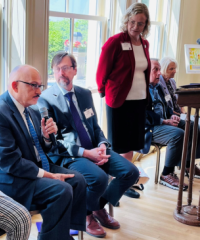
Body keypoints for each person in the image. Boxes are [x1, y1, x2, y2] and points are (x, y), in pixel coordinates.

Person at [37, 52, 140, 238]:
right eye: (57, 69)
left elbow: (94, 125)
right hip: (70, 155)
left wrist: (102, 144)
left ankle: (98, 206)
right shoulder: (46, 99)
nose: (61, 73)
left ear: (75, 70)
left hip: (95, 147)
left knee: (131, 172)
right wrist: (86, 153)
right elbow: (55, 142)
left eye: (66, 68)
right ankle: (86, 215)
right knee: (98, 178)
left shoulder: (84, 93)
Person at [0, 65, 87, 240]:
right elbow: (10, 162)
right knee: (61, 190)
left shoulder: (31, 109)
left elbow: (42, 148)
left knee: (78, 181)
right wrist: (47, 175)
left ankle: (62, 234)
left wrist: (47, 137)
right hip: (15, 179)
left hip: (36, 167)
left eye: (40, 85)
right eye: (33, 85)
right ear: (15, 86)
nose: (39, 91)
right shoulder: (2, 112)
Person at [96, 3, 151, 198]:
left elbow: (143, 71)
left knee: (131, 145)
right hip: (119, 102)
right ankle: (111, 188)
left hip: (138, 102)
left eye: (141, 23)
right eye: (133, 22)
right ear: (127, 21)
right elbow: (102, 71)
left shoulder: (144, 44)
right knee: (118, 146)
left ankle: (124, 184)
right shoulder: (115, 42)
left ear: (146, 25)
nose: (136, 27)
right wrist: (104, 91)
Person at [139, 59, 200, 190]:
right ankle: (166, 174)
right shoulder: (139, 90)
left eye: (160, 69)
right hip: (148, 128)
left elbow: (165, 106)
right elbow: (143, 115)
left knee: (193, 126)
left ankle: (188, 164)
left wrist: (170, 115)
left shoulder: (158, 87)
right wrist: (163, 121)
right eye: (155, 69)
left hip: (162, 122)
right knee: (178, 134)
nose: (159, 73)